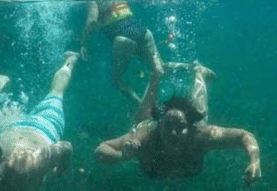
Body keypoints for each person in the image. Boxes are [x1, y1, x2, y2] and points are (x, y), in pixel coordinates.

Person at [95, 61, 262, 184]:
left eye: (181, 127)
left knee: (199, 112)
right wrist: (122, 156)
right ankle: (157, 75)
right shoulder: (145, 137)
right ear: (159, 125)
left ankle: (199, 73)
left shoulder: (201, 135)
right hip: (150, 132)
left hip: (176, 154)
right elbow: (101, 150)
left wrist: (255, 161)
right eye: (167, 126)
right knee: (142, 118)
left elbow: (244, 136)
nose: (173, 133)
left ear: (190, 127)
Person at [0, 52, 79, 191]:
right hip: (11, 128)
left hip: (43, 127)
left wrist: (59, 172)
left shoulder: (26, 167)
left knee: (57, 92)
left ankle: (71, 60)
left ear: (3, 161)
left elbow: (66, 147)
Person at [80, 0, 165, 105]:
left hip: (123, 37)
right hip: (142, 30)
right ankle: (188, 67)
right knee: (159, 69)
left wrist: (83, 43)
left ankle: (142, 107)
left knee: (116, 79)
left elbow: (92, 20)